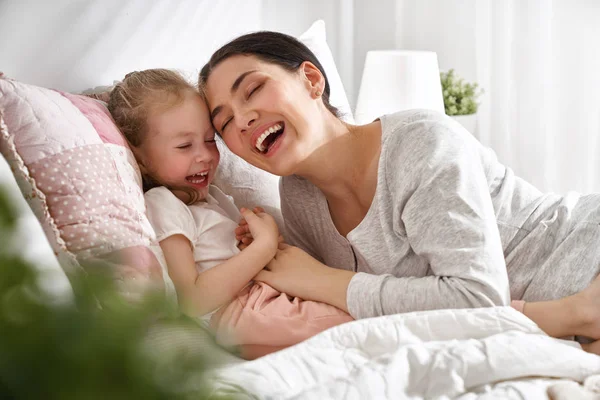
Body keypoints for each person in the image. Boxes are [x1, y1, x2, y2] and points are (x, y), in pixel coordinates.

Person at [198, 31, 600, 353]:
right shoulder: (298, 198)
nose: (244, 118)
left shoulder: (419, 141)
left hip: (583, 252)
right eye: (225, 122)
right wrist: (269, 250)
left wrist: (321, 279)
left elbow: (477, 298)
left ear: (312, 80)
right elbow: (354, 315)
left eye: (252, 90)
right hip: (557, 329)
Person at [107, 69, 352, 359]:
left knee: (359, 316)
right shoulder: (162, 203)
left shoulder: (211, 197)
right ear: (141, 159)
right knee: (355, 328)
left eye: (210, 141)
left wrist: (252, 238)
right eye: (185, 146)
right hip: (244, 312)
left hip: (269, 295)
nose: (205, 156)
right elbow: (192, 300)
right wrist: (262, 247)